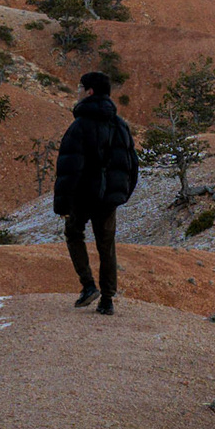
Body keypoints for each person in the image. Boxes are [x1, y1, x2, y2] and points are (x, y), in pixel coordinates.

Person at [53, 71, 138, 315]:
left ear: (89, 92)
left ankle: (88, 285)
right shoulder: (120, 125)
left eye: (80, 87)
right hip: (108, 199)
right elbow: (132, 165)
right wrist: (121, 194)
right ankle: (107, 300)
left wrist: (63, 205)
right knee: (106, 245)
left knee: (73, 233)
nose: (77, 92)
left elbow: (69, 168)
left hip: (83, 196)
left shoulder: (79, 126)